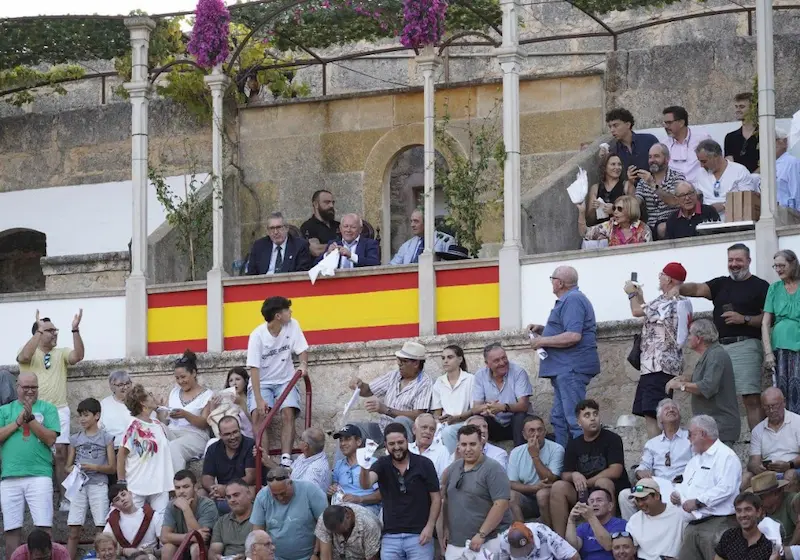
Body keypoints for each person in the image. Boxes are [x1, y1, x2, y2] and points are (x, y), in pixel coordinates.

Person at [678, 243, 770, 431]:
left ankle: (758, 448)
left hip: (746, 346)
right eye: (730, 260)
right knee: (716, 396)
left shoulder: (760, 286)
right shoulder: (720, 283)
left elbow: (769, 318)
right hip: (718, 349)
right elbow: (696, 288)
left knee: (750, 398)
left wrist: (743, 319)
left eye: (739, 260)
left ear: (748, 261)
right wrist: (678, 287)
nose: (734, 264)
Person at [16, 308, 84, 510]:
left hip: (59, 409)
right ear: (38, 332)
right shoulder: (28, 350)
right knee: (34, 451)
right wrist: (38, 331)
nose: (55, 333)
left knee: (61, 453)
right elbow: (24, 357)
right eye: (50, 330)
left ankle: (65, 499)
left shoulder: (60, 352)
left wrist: (75, 331)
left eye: (56, 330)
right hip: (34, 409)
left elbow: (78, 356)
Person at [529, 266, 601, 446]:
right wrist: (544, 330)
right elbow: (568, 330)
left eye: (552, 278)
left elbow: (573, 336)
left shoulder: (573, 300)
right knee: (559, 418)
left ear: (559, 283)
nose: (551, 282)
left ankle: (580, 462)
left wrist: (541, 341)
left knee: (574, 419)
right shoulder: (571, 299)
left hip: (571, 369)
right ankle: (564, 462)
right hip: (565, 369)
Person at [624, 262, 692, 437]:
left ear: (668, 278)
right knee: (652, 411)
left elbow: (637, 311)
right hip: (661, 365)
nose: (659, 277)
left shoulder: (666, 301)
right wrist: (641, 295)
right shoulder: (680, 302)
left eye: (661, 274)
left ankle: (658, 455)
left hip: (657, 366)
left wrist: (631, 293)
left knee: (654, 413)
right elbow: (651, 315)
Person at [0, 372, 60, 560]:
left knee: (44, 528)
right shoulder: (4, 410)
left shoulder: (49, 409)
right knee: (11, 529)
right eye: (25, 387)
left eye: (33, 387)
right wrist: (18, 421)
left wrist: (30, 419)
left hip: (39, 475)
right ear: (17, 387)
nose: (29, 391)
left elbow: (51, 439)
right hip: (9, 476)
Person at [360, 423, 441, 560]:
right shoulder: (382, 464)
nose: (396, 447)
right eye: (392, 443)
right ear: (385, 444)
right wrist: (364, 465)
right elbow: (366, 484)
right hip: (390, 537)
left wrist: (430, 527)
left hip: (420, 535)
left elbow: (436, 498)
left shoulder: (424, 464)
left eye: (400, 442)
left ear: (407, 441)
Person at [550, 400, 630, 538]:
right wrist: (574, 475)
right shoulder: (574, 444)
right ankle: (561, 541)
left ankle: (611, 535)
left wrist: (587, 483)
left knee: (603, 483)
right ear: (578, 422)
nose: (593, 418)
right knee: (558, 486)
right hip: (584, 493)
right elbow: (565, 474)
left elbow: (615, 470)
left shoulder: (612, 439)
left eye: (595, 414)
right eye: (587, 415)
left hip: (610, 491)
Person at [246, 295, 309, 468]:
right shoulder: (257, 336)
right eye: (287, 309)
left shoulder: (293, 325)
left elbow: (302, 349)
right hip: (263, 382)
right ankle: (264, 460)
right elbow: (254, 369)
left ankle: (286, 458)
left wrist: (303, 364)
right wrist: (258, 398)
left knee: (288, 412)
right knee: (258, 416)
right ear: (278, 316)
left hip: (285, 379)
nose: (291, 312)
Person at [672, 415, 741, 560]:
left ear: (703, 434)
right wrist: (677, 494)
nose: (688, 439)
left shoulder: (726, 456)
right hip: (692, 524)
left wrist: (698, 501)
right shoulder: (694, 461)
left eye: (690, 434)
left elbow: (726, 488)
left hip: (717, 523)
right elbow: (686, 486)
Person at [441, 424, 512, 558]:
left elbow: (501, 504)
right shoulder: (453, 468)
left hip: (489, 541)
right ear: (458, 446)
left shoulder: (493, 468)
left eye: (473, 444)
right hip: (456, 542)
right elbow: (446, 501)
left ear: (482, 443)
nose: (468, 449)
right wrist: (445, 529)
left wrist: (482, 534)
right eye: (464, 444)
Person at [666, 319, 742, 445]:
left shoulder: (716, 355)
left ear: (699, 338)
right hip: (711, 428)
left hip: (719, 428)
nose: (688, 337)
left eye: (690, 334)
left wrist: (681, 386)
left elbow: (707, 387)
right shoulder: (710, 354)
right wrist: (687, 378)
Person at [618, 399, 692, 520]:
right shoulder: (652, 444)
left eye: (674, 408)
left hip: (681, 486)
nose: (671, 409)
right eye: (666, 409)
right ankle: (631, 535)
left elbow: (698, 464)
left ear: (679, 416)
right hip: (657, 487)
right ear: (660, 419)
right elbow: (643, 466)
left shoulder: (690, 438)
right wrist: (639, 472)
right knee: (625, 495)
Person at [349, 341, 433, 446]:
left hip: (405, 432)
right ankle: (340, 463)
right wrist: (359, 385)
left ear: (416, 363)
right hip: (382, 428)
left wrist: (387, 410)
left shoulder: (425, 382)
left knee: (401, 420)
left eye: (404, 361)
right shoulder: (394, 375)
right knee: (350, 429)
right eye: (399, 360)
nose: (399, 364)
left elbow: (418, 414)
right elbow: (369, 390)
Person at [66, 397, 116, 560]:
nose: (82, 419)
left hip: (99, 484)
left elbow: (112, 468)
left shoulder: (106, 438)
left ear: (97, 416)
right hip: (79, 486)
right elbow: (67, 466)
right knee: (73, 529)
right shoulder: (75, 439)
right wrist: (74, 469)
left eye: (86, 415)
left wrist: (94, 467)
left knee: (101, 527)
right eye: (80, 415)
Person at [118, 383, 174, 513]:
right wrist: (121, 482)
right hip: (137, 484)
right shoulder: (133, 426)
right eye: (149, 395)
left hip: (160, 483)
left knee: (161, 523)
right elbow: (121, 454)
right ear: (143, 403)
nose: (153, 396)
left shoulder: (157, 424)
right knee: (133, 521)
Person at [251, 467, 327, 560]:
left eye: (283, 493)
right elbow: (258, 535)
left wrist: (316, 553)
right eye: (275, 495)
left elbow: (324, 527)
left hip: (309, 557)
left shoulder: (310, 490)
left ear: (290, 483)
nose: (280, 498)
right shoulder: (262, 496)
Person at [470, 342, 532, 447]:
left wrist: (503, 407)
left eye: (504, 358)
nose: (502, 363)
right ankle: (477, 454)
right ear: (487, 363)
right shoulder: (480, 375)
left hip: (515, 425)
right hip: (494, 424)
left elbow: (524, 406)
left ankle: (519, 454)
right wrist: (489, 407)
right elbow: (475, 408)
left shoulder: (518, 372)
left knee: (520, 416)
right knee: (477, 418)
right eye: (496, 360)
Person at [508, 415, 565, 525]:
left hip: (549, 496)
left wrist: (535, 456)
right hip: (527, 496)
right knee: (510, 495)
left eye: (540, 430)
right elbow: (511, 483)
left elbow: (549, 480)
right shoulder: (516, 452)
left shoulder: (556, 449)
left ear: (545, 432)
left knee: (542, 494)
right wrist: (534, 488)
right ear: (524, 435)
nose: (536, 434)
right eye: (531, 431)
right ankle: (521, 531)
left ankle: (549, 532)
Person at [163, 350, 213, 473]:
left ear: (194, 373)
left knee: (174, 447)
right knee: (154, 431)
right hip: (173, 431)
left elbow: (204, 423)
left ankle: (177, 486)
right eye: (177, 378)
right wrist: (157, 408)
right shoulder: (174, 392)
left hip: (195, 436)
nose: (180, 381)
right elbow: (164, 419)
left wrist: (185, 415)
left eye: (183, 377)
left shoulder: (207, 395)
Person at [763, 250, 800, 414]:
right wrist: (768, 352)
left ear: (793, 264)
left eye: (782, 265)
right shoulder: (774, 288)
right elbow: (765, 323)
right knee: (783, 390)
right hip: (780, 347)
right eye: (775, 266)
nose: (778, 269)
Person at [745, 388, 800, 491]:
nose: (771, 411)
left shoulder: (797, 422)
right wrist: (757, 467)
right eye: (767, 407)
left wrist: (789, 464)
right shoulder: (758, 430)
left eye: (775, 406)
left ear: (783, 402)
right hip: (768, 472)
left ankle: (787, 506)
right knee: (745, 478)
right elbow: (753, 461)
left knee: (790, 475)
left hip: (793, 467)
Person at [201, 416, 257, 513]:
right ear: (220, 435)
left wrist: (226, 489)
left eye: (235, 432)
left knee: (251, 490)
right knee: (200, 493)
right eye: (227, 434)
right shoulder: (213, 448)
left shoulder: (250, 444)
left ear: (240, 430)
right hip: (221, 492)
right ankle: (205, 527)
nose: (232, 437)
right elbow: (206, 477)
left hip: (243, 489)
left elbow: (250, 477)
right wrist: (215, 489)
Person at [629, 143, 684, 239]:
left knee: (662, 228)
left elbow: (674, 201)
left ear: (667, 159)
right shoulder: (643, 181)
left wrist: (652, 185)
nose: (652, 160)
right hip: (651, 227)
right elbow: (635, 204)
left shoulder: (677, 177)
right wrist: (630, 183)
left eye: (656, 156)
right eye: (650, 157)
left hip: (673, 224)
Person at [160, 470, 219, 560]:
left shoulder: (208, 505)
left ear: (195, 487)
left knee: (196, 548)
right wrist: (188, 537)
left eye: (186, 487)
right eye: (177, 488)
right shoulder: (172, 505)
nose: (181, 491)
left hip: (205, 549)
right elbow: (164, 537)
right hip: (182, 545)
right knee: (167, 549)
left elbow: (200, 539)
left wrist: (186, 509)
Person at [695, 139, 760, 219]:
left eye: (704, 161)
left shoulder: (739, 171)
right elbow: (696, 197)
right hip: (707, 222)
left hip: (735, 219)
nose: (701, 165)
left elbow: (747, 198)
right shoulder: (700, 173)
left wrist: (724, 206)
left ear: (716, 157)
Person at [625, 478, 688, 560]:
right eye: (637, 500)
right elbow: (630, 549)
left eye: (644, 499)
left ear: (657, 496)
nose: (640, 504)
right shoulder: (634, 520)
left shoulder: (679, 513)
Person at [329, 424, 381, 515]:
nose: (343, 444)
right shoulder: (339, 465)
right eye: (341, 440)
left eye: (347, 439)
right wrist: (332, 490)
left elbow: (381, 495)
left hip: (366, 509)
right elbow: (336, 487)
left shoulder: (373, 463)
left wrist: (359, 499)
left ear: (358, 441)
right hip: (343, 509)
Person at [432, 344, 474, 453]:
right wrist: (439, 419)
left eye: (450, 357)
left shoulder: (470, 379)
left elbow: (474, 409)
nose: (445, 361)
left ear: (460, 359)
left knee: (448, 432)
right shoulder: (439, 382)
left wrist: (456, 418)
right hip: (444, 424)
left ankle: (452, 462)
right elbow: (437, 411)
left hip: (465, 423)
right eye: (443, 358)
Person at [565, 488, 626, 560]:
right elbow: (572, 548)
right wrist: (571, 520)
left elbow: (609, 545)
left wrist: (591, 517)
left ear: (610, 506)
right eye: (591, 501)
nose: (594, 504)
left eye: (599, 500)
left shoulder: (620, 524)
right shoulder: (583, 527)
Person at [246, 211, 313, 274]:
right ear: (268, 231)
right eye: (272, 228)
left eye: (279, 227)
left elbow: (302, 275)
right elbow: (251, 275)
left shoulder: (300, 246)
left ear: (287, 228)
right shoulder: (259, 246)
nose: (275, 232)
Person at [714, 492, 776, 560]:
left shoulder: (770, 542)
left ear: (758, 512)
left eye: (748, 509)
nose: (743, 515)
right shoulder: (729, 536)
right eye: (739, 511)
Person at [104, 485, 161, 558]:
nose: (122, 499)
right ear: (114, 505)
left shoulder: (152, 515)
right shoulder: (113, 521)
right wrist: (123, 551)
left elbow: (165, 543)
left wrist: (153, 552)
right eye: (117, 499)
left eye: (123, 494)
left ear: (130, 494)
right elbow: (104, 545)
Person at [746, 471, 800, 544]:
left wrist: (789, 549)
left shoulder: (792, 501)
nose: (758, 500)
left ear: (775, 493)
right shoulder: (758, 509)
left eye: (761, 497)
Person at [662, 105, 710, 187]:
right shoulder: (664, 144)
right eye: (664, 123)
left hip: (700, 190)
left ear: (681, 123)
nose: (666, 127)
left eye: (669, 123)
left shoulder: (702, 139)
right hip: (675, 192)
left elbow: (714, 163)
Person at [577, 195, 653, 246]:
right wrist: (582, 212)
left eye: (619, 209)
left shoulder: (644, 229)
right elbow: (585, 233)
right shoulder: (610, 225)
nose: (615, 212)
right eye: (614, 208)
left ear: (630, 210)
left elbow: (649, 253)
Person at [315, 504, 382, 560]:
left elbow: (372, 557)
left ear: (348, 516)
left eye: (340, 530)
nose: (338, 534)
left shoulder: (369, 525)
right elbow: (326, 556)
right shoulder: (324, 521)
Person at [209, 479, 254, 560]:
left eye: (236, 495)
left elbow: (266, 549)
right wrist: (216, 557)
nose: (232, 500)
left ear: (249, 494)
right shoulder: (221, 522)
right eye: (228, 497)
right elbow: (214, 551)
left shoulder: (260, 518)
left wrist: (245, 557)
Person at [583, 153, 627, 227]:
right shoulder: (595, 188)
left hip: (620, 231)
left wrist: (614, 210)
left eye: (619, 164)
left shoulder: (626, 185)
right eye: (613, 164)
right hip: (601, 232)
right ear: (605, 167)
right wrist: (594, 208)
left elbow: (634, 213)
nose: (617, 167)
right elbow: (589, 221)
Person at [498, 521, 579, 560]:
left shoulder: (545, 534)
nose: (523, 553)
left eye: (525, 549)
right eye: (520, 551)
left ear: (532, 539)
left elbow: (574, 556)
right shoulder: (504, 540)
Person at [724, 92, 760, 173]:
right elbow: (729, 163)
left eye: (742, 107)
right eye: (736, 107)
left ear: (753, 109)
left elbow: (769, 161)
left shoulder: (764, 135)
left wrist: (752, 177)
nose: (737, 110)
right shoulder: (730, 137)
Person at [409, 413, 452, 478]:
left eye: (432, 429)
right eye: (424, 427)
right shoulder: (407, 448)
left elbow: (444, 480)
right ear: (414, 429)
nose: (428, 432)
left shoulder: (442, 451)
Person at [100, 371, 134, 449]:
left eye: (128, 383)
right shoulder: (105, 404)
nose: (125, 387)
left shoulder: (138, 401)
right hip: (113, 448)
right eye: (121, 385)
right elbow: (99, 428)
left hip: (135, 447)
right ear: (112, 387)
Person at [290, 427, 331, 493]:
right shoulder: (304, 456)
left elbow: (306, 495)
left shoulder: (315, 470)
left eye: (301, 438)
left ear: (306, 446)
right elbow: (290, 470)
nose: (299, 441)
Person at [301, 189, 340, 258]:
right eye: (327, 202)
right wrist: (340, 246)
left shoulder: (338, 225)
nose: (331, 206)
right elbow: (316, 250)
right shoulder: (308, 226)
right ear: (316, 204)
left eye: (332, 202)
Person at [776, 128, 800, 210]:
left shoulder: (792, 162)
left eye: (774, 140)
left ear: (784, 142)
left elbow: (796, 192)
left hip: (788, 215)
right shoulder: (767, 165)